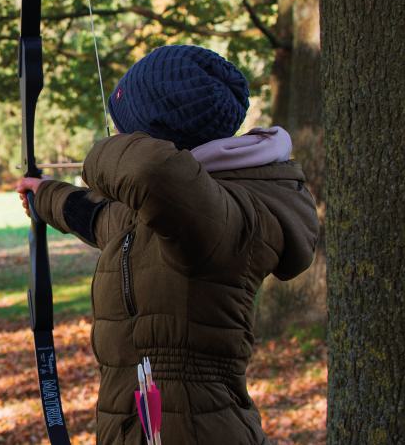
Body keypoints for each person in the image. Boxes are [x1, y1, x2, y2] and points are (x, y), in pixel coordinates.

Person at [16, 45, 319, 445]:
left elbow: (148, 169)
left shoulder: (230, 215)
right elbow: (105, 221)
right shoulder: (174, 211)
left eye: (125, 126)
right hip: (138, 426)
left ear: (157, 136)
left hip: (197, 431)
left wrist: (102, 152)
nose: (119, 134)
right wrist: (47, 196)